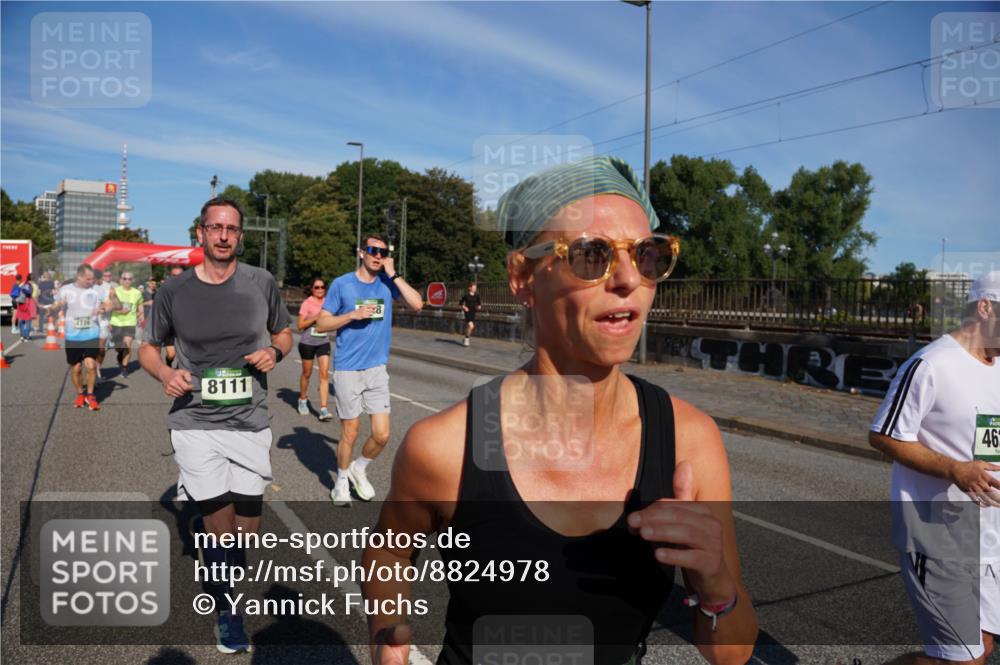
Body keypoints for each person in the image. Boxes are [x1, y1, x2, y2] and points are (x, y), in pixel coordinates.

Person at [361, 156, 757, 664]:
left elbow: (733, 653)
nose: (627, 279)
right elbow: (390, 552)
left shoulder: (689, 441)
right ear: (522, 278)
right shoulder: (445, 447)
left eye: (647, 254)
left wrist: (716, 586)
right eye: (592, 255)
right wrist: (386, 641)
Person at [140, 197, 291, 654]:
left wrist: (275, 352)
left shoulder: (260, 283)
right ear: (200, 233)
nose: (223, 235)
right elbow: (148, 347)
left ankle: (217, 564)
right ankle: (229, 613)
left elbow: (285, 332)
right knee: (220, 523)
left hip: (249, 421)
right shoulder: (174, 291)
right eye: (215, 227)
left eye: (231, 228)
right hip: (194, 421)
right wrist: (166, 374)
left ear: (240, 236)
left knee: (248, 529)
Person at [870, 270, 1000, 665]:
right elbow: (884, 435)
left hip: (989, 538)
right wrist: (955, 470)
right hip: (938, 535)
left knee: (982, 646)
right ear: (985, 307)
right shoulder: (931, 365)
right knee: (965, 660)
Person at [314, 233, 424, 507]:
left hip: (376, 368)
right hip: (348, 368)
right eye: (373, 250)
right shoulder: (342, 284)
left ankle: (358, 468)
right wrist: (351, 315)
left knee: (382, 434)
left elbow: (418, 304)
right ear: (361, 252)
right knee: (350, 431)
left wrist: (394, 274)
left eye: (383, 252)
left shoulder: (388, 284)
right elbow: (322, 324)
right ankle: (340, 481)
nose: (378, 255)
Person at [56, 264, 104, 410]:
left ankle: (90, 395)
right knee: (76, 368)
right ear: (79, 276)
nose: (91, 281)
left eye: (92, 279)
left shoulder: (95, 290)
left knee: (91, 365)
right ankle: (80, 393)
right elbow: (57, 305)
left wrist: (101, 309)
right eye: (88, 279)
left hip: (91, 333)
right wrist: (58, 306)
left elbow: (102, 305)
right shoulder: (66, 289)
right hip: (73, 335)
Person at [296, 278, 334, 421]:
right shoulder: (307, 303)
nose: (320, 290)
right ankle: (303, 399)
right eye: (316, 287)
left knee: (324, 374)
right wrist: (315, 318)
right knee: (307, 373)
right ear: (311, 289)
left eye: (322, 287)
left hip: (323, 342)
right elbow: (300, 325)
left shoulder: (328, 302)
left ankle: (323, 409)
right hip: (307, 343)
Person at [109, 270, 144, 378]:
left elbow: (140, 304)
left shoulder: (137, 292)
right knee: (119, 347)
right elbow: (109, 305)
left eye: (129, 279)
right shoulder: (115, 291)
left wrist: (141, 314)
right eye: (125, 278)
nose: (127, 281)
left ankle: (124, 368)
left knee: (127, 345)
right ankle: (120, 354)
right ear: (121, 280)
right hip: (116, 322)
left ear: (132, 280)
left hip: (130, 323)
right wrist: (119, 311)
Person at [92, 269, 114, 379]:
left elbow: (111, 304)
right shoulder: (85, 286)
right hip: (89, 321)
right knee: (90, 349)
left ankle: (97, 368)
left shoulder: (108, 287)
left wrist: (105, 310)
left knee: (101, 349)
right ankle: (91, 371)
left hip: (103, 321)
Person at [163, 265, 184, 367]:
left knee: (183, 355)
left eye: (179, 275)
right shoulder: (165, 290)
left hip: (185, 327)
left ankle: (178, 371)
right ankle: (168, 364)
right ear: (170, 276)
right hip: (170, 327)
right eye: (174, 275)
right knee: (171, 355)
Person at [458, 282, 481, 347]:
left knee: (470, 327)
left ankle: (466, 338)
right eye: (473, 288)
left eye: (475, 288)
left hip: (473, 312)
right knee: (471, 326)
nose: (475, 289)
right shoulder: (466, 295)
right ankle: (467, 339)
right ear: (470, 288)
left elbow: (479, 304)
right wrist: (464, 307)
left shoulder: (477, 295)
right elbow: (460, 303)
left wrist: (479, 306)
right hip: (467, 312)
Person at [12, 273, 34, 341]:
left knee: (21, 319)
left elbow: (14, 294)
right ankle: (27, 336)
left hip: (20, 302)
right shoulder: (30, 285)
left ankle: (22, 336)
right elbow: (30, 294)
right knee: (28, 320)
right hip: (27, 303)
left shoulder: (21, 284)